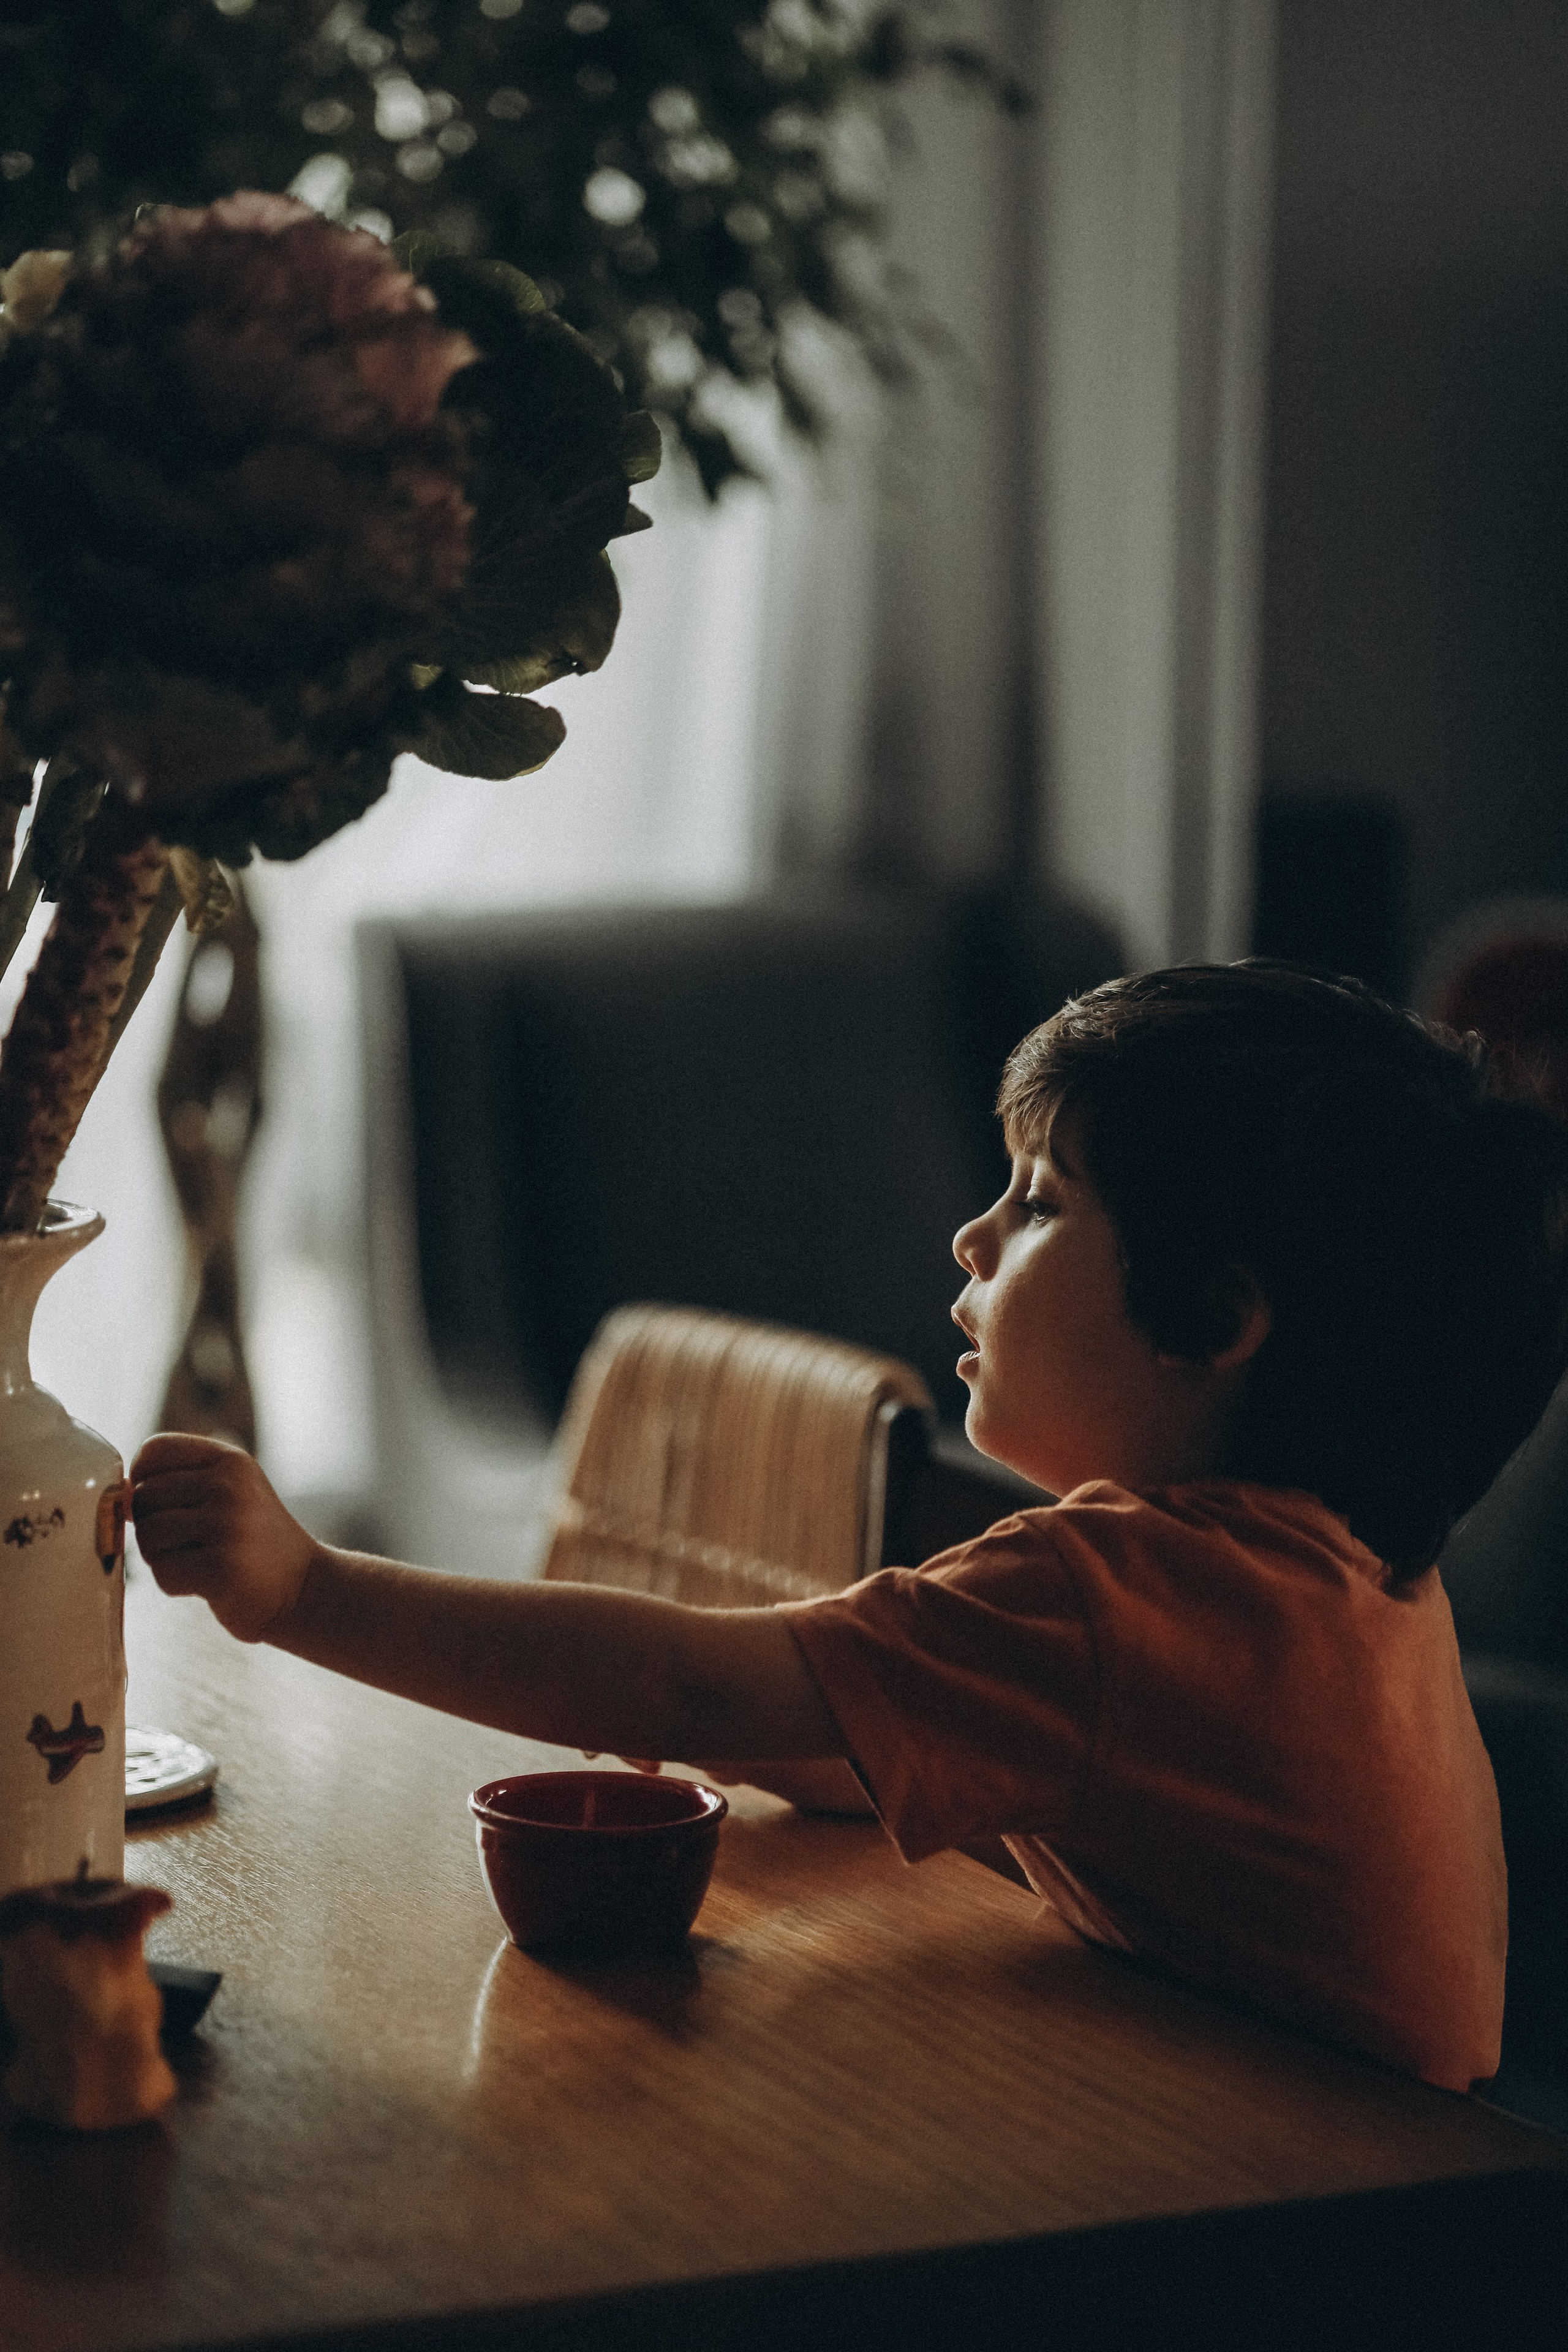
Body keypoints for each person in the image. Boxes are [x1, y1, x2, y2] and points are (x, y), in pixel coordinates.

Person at [130, 963, 1568, 2093]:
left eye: (1040, 1200)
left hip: (1316, 2242)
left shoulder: (1110, 1593)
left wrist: (303, 1590)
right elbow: (905, 1737)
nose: (973, 1240)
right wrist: (817, 1732)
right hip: (1422, 2203)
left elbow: (682, 1681)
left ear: (1216, 1318)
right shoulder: (1338, 1571)